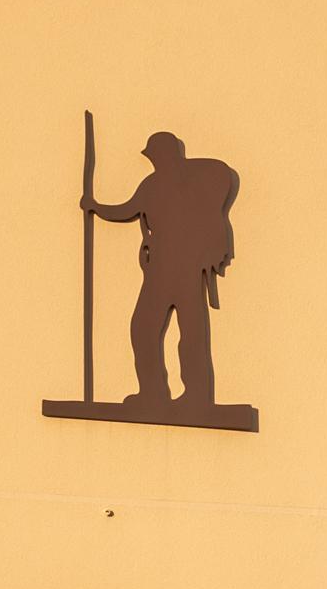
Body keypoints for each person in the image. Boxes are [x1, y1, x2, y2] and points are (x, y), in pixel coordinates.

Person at [84, 132, 238, 410]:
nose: (153, 161)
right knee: (145, 328)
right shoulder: (152, 185)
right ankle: (152, 392)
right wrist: (96, 207)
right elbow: (127, 210)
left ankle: (196, 394)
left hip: (185, 267)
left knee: (189, 331)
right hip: (160, 270)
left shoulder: (194, 184)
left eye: (155, 155)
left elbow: (213, 210)